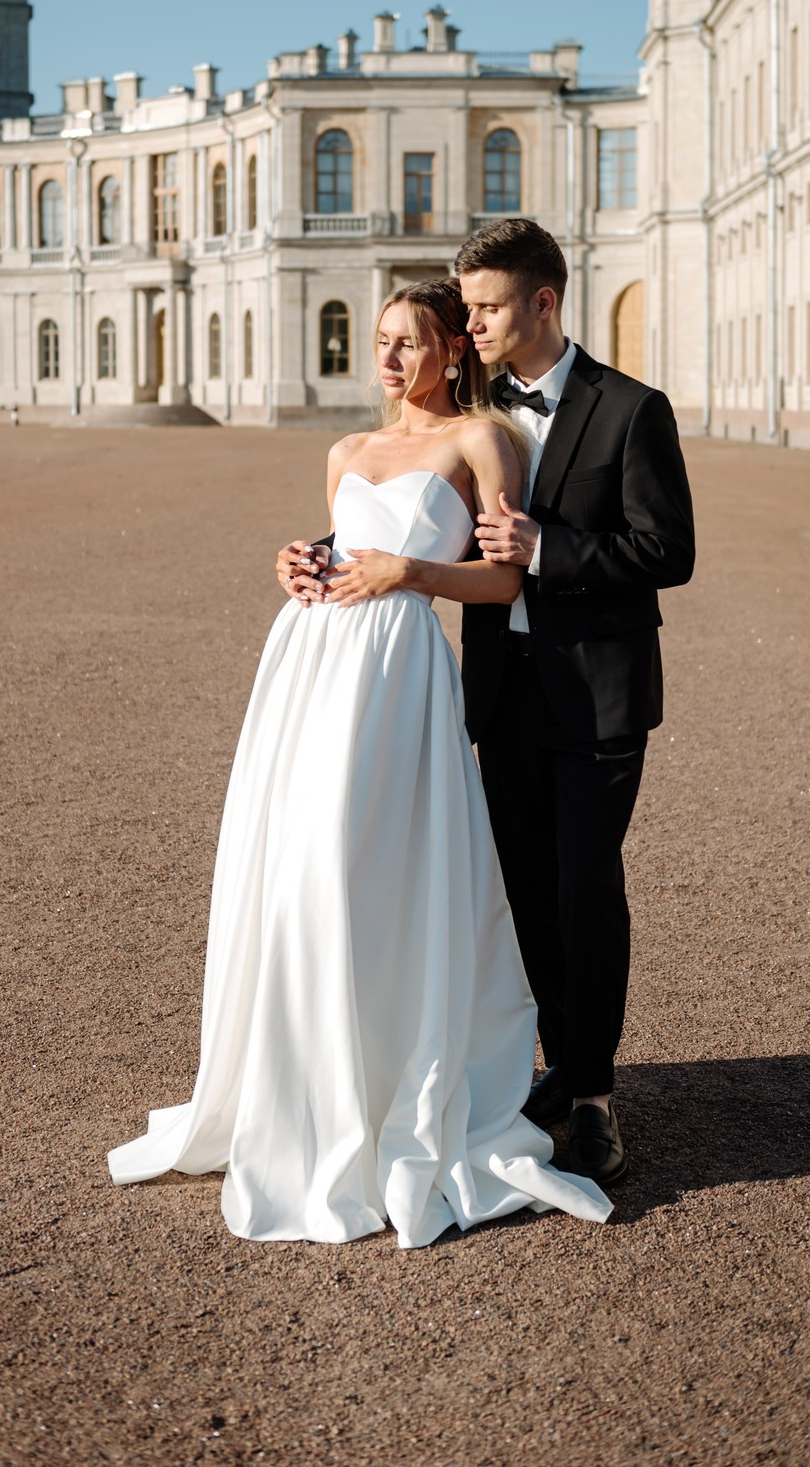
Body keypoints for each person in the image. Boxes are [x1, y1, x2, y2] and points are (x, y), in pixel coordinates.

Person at [109, 278, 612, 1248]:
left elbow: (502, 574)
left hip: (398, 668)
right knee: (294, 871)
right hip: (308, 664)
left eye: (408, 341)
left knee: (360, 870)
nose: (387, 357)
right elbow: (348, 546)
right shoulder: (344, 450)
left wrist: (409, 574)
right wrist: (297, 561)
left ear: (451, 351)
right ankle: (302, 1079)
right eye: (380, 340)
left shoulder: (479, 442)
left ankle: (381, 1079)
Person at [280, 220, 695, 1189]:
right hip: (497, 690)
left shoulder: (632, 409)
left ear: (543, 302)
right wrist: (314, 549)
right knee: (518, 892)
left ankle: (591, 1096)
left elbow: (666, 551)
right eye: (462, 308)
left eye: (487, 306)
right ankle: (552, 1064)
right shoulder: (474, 406)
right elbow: (406, 501)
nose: (469, 324)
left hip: (596, 692)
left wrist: (547, 551)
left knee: (584, 888)